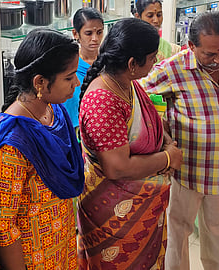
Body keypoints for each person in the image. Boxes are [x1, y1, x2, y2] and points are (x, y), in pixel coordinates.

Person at [0, 28, 84, 270]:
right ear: (40, 82)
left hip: (62, 248)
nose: (76, 83)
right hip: (33, 260)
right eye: (69, 77)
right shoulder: (12, 146)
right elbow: (3, 229)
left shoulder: (56, 113)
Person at [140, 11, 219, 270]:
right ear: (191, 46)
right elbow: (138, 97)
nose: (218, 60)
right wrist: (163, 137)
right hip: (186, 172)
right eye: (210, 54)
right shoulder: (172, 69)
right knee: (177, 233)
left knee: (218, 234)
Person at [77, 18, 182, 269]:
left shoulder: (127, 84)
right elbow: (116, 167)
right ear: (133, 63)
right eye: (152, 57)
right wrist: (168, 158)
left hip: (143, 209)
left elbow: (151, 122)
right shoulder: (103, 100)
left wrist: (167, 143)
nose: (155, 62)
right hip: (113, 214)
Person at [63, 7, 104, 129]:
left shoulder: (108, 62)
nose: (95, 39)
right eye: (88, 33)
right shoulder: (70, 65)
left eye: (99, 32)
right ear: (75, 34)